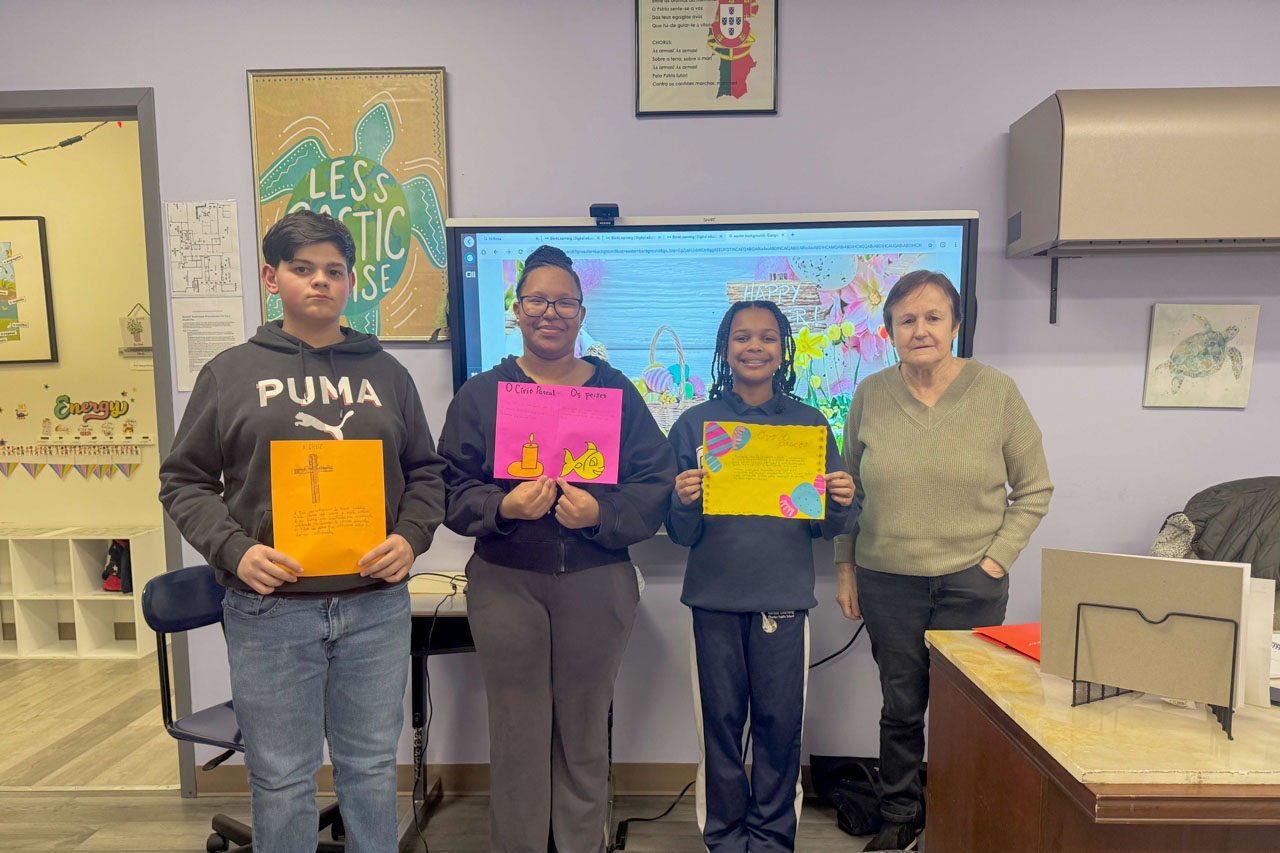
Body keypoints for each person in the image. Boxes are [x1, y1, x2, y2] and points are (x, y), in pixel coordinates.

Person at [159, 210, 446, 853]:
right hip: (269, 611)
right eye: (302, 268)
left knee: (371, 769)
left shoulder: (388, 374)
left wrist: (410, 536)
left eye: (334, 271)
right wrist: (235, 550)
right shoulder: (229, 373)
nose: (320, 281)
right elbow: (183, 480)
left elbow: (427, 473)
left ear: (350, 282)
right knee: (283, 777)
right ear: (272, 277)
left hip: (374, 606)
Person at [437, 244, 676, 853]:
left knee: (584, 730)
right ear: (516, 310)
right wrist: (503, 508)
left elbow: (655, 482)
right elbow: (450, 486)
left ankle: (580, 845)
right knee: (516, 732)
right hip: (506, 581)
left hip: (597, 581)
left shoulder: (616, 391)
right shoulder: (481, 394)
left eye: (565, 302)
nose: (551, 313)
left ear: (581, 313)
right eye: (538, 301)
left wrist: (601, 514)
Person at [833, 270, 1053, 852]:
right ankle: (900, 815)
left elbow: (1035, 488)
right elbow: (849, 490)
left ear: (956, 325)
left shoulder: (996, 391)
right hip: (887, 582)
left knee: (968, 712)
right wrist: (845, 568)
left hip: (970, 583)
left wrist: (996, 561)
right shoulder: (870, 394)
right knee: (901, 708)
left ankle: (963, 815)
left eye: (933, 317)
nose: (920, 330)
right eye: (906, 320)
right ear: (889, 331)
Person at [667, 300, 858, 852]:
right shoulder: (695, 424)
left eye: (768, 337)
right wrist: (683, 500)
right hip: (713, 601)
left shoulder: (809, 424)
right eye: (742, 337)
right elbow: (678, 531)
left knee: (780, 726)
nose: (755, 346)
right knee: (719, 728)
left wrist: (842, 499)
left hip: (783, 601)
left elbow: (826, 525)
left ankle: (773, 839)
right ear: (725, 349)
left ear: (784, 350)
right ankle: (724, 839)